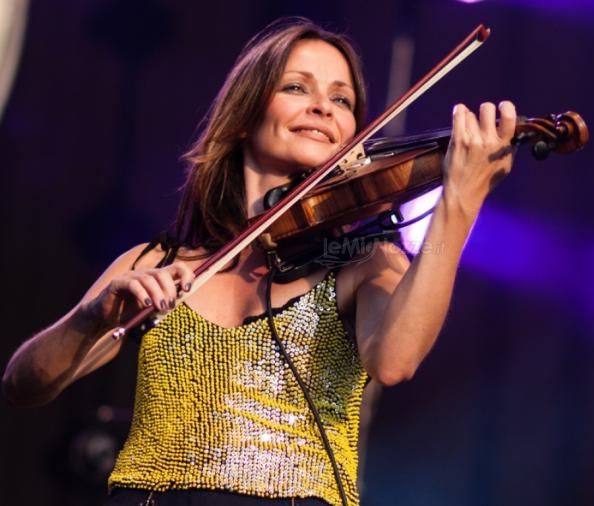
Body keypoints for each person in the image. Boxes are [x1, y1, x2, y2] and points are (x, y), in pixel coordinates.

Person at [1, 17, 516, 506]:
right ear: (247, 114)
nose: (323, 107)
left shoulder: (365, 261)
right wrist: (93, 317)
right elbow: (24, 385)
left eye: (342, 99)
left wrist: (461, 202)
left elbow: (395, 361)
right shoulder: (155, 262)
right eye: (298, 88)